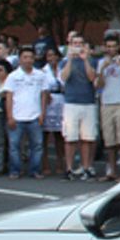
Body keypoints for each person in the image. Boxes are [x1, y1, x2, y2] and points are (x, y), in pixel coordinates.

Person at [5, 48, 50, 179]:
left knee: (37, 146)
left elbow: (44, 95)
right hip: (16, 116)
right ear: (20, 59)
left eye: (30, 57)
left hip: (35, 116)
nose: (28, 60)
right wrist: (10, 116)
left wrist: (42, 114)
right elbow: (9, 96)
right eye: (25, 57)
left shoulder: (40, 75)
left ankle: (35, 170)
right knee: (14, 146)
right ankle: (15, 170)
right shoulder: (13, 76)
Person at [95, 35, 120, 181]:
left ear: (118, 47)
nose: (111, 49)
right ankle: (111, 171)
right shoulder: (101, 62)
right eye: (108, 46)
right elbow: (99, 86)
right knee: (109, 139)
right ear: (105, 48)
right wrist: (103, 70)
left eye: (113, 46)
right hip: (107, 103)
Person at [59, 36, 98, 179]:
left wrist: (85, 59)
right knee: (70, 138)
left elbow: (91, 78)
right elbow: (64, 77)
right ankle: (69, 168)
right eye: (75, 44)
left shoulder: (91, 60)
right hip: (71, 103)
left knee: (87, 138)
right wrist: (70, 59)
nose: (78, 46)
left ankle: (86, 168)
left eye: (80, 43)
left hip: (88, 103)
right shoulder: (64, 62)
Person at [39, 47, 65, 175]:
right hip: (48, 102)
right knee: (45, 135)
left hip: (61, 101)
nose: (51, 58)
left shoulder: (63, 69)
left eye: (53, 55)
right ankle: (45, 164)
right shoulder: (43, 71)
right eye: (49, 56)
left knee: (59, 136)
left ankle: (61, 163)